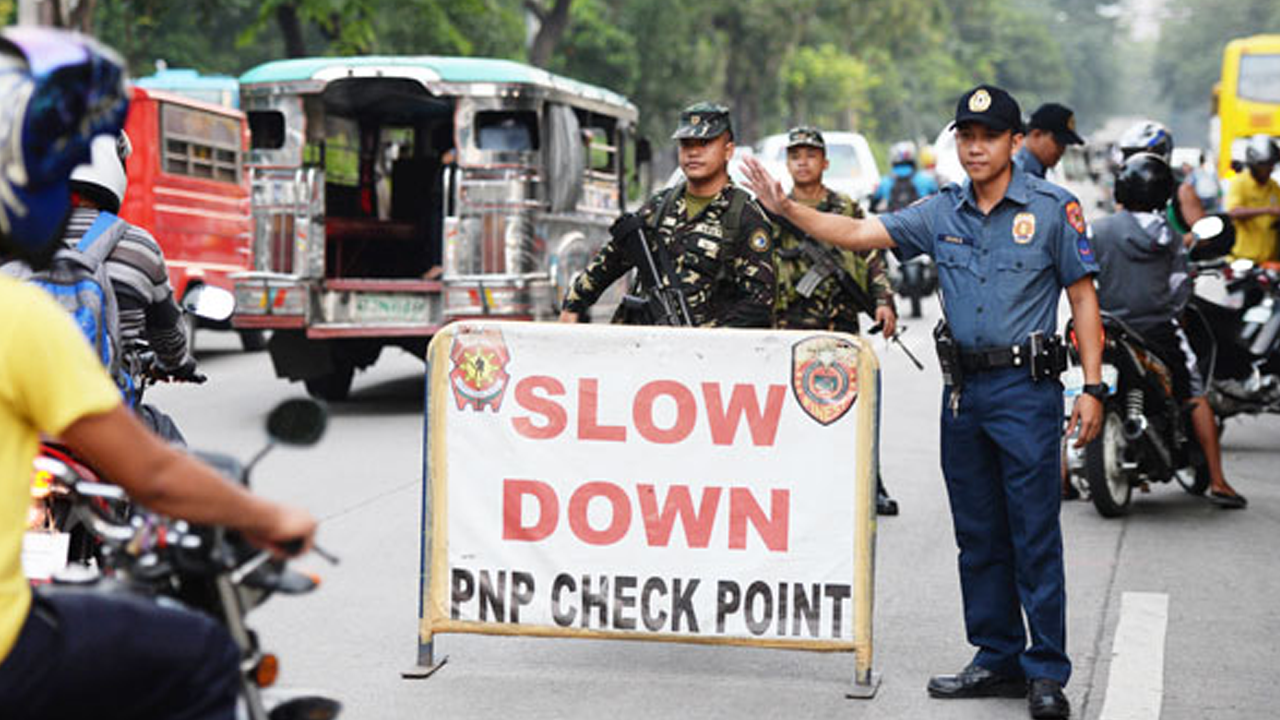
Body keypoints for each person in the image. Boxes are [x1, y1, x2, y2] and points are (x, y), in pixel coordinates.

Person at [744, 84, 1104, 720]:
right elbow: (858, 232)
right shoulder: (942, 211)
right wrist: (786, 208)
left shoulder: (1053, 208)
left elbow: (1082, 298)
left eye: (988, 136)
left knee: (1035, 534)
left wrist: (1094, 386)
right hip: (964, 394)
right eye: (965, 136)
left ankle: (1045, 671)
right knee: (980, 533)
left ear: (1016, 143)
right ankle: (996, 656)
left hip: (1028, 392)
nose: (975, 147)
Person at [0, 27, 317, 720]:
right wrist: (269, 517)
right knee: (200, 649)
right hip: (9, 646)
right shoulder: (30, 314)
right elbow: (157, 475)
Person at [1091, 152, 1246, 509]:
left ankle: (1066, 476)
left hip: (1108, 328)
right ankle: (1219, 481)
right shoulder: (1171, 238)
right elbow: (1179, 291)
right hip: (1158, 331)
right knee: (1194, 392)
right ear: (1164, 194)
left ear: (1121, 190)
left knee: (1080, 389)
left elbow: (1085, 280)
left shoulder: (1097, 230)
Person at [773, 125, 900, 516]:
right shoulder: (775, 209)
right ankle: (794, 483)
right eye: (796, 155)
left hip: (839, 321)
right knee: (791, 412)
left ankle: (869, 483)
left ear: (824, 162)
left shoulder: (846, 208)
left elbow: (871, 256)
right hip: (789, 324)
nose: (803, 161)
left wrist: (883, 299)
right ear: (787, 162)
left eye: (810, 155)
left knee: (854, 407)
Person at [559, 102, 775, 328]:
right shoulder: (661, 205)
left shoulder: (745, 217)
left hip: (706, 354)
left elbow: (759, 302)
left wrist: (712, 340)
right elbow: (613, 257)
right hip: (644, 345)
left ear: (728, 150)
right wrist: (574, 304)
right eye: (686, 144)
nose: (693, 152)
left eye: (704, 143)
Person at [63, 130, 201, 440]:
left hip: (19, 418)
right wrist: (177, 363)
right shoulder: (138, 245)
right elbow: (168, 337)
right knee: (167, 448)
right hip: (104, 422)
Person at [1224, 134, 1280, 264]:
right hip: (1243, 260)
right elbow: (1234, 212)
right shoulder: (1240, 182)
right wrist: (1268, 210)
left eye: (1271, 164)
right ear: (1254, 165)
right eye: (1265, 165)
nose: (1269, 169)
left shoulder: (1273, 186)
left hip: (1270, 262)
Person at [1015, 103, 1084, 180]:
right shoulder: (1017, 172)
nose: (1062, 150)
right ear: (1036, 134)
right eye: (1058, 142)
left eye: (1064, 145)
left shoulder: (1035, 169)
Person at [871, 141, 939, 212]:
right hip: (921, 221)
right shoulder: (926, 180)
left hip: (894, 221)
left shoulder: (884, 181)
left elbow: (873, 206)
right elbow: (938, 200)